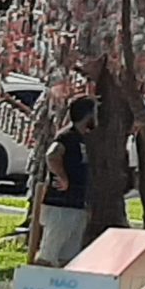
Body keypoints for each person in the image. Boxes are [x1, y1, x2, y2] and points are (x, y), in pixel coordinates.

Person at [35, 98, 92, 267]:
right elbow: (51, 155)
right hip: (61, 203)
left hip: (76, 204)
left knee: (69, 256)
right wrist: (62, 177)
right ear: (88, 115)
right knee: (48, 253)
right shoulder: (67, 136)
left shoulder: (84, 138)